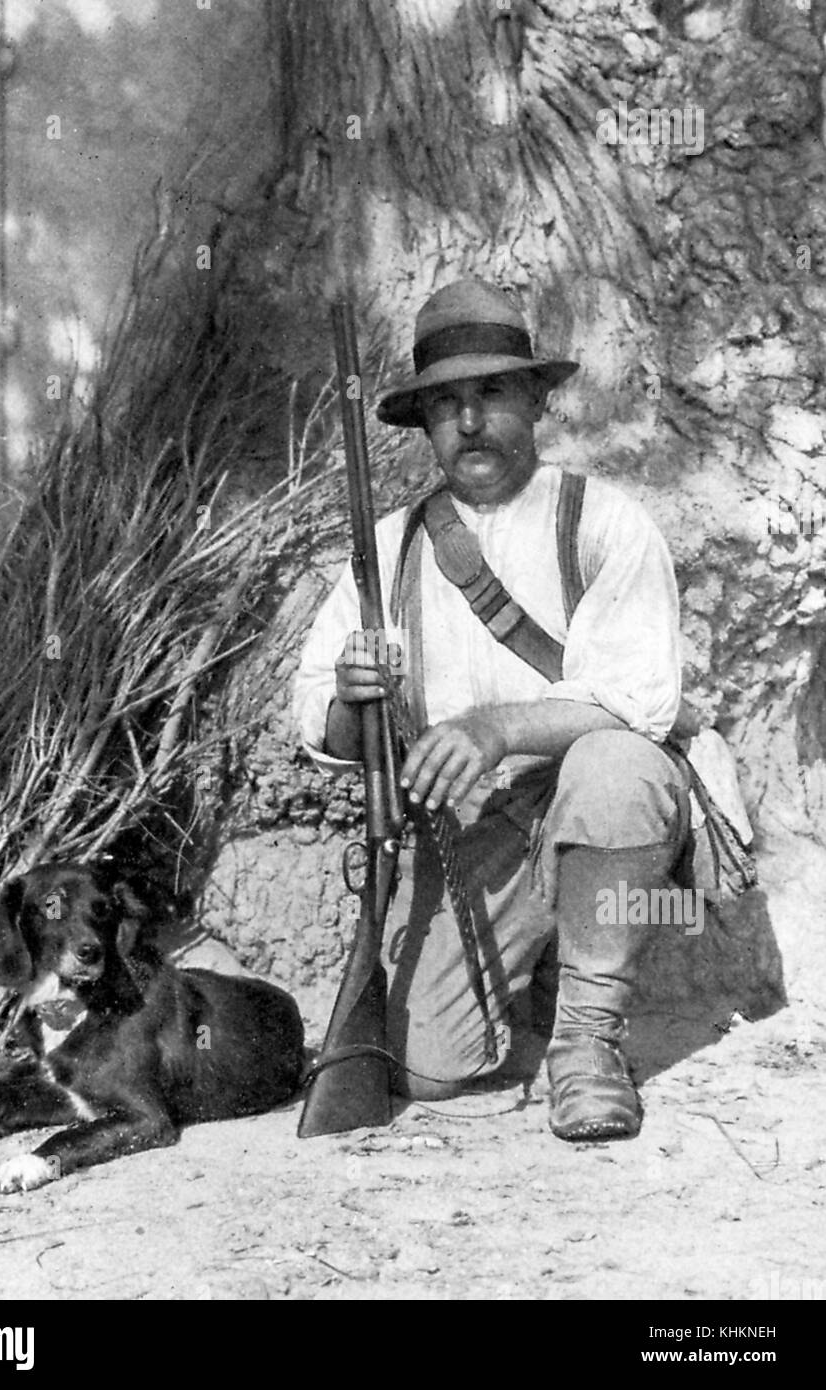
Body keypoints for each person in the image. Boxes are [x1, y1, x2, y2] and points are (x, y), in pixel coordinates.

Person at [293, 279, 691, 1142]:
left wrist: (496, 727)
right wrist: (352, 699)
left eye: (492, 394)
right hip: (471, 837)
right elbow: (315, 727)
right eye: (446, 404)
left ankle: (586, 1043)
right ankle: (538, 970)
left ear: (538, 401)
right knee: (430, 1071)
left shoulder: (605, 523)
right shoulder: (389, 548)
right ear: (424, 422)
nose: (469, 423)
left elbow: (640, 703)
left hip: (591, 795)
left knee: (616, 767)